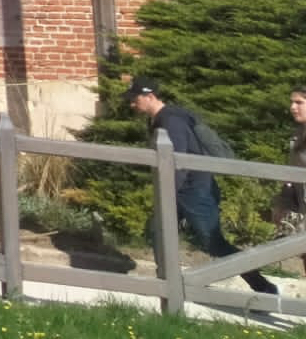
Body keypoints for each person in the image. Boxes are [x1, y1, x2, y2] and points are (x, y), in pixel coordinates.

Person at [125, 77, 280, 295]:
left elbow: (177, 162)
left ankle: (264, 287)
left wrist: (167, 195)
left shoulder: (171, 121)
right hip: (184, 189)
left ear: (149, 96)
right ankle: (168, 287)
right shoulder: (162, 118)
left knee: (213, 243)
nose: (132, 104)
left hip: (195, 190)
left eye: (135, 99)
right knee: (158, 232)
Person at [274, 86, 306, 242]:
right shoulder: (297, 135)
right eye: (292, 102)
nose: (292, 107)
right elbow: (292, 174)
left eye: (299, 103)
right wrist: (283, 202)